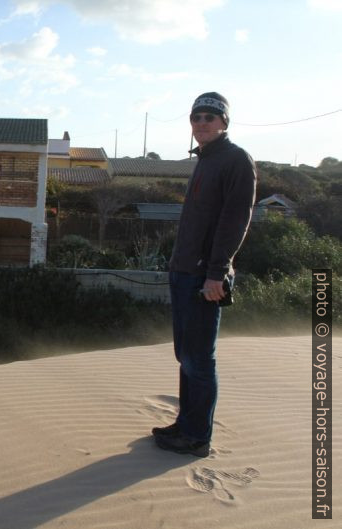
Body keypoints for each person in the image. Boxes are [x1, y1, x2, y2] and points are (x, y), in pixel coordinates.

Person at [152, 92, 257, 457]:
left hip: (204, 278)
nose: (201, 124)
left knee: (199, 359)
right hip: (184, 272)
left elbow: (234, 222)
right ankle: (186, 423)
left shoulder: (235, 160)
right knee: (187, 356)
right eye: (196, 117)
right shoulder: (206, 161)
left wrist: (216, 273)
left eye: (210, 117)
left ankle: (197, 437)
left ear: (224, 122)